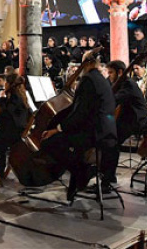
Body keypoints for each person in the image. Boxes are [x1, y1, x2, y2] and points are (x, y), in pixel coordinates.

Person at [40, 52, 117, 201]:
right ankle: (79, 174)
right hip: (107, 132)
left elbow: (80, 114)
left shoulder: (87, 79)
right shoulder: (102, 79)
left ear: (87, 64)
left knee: (49, 143)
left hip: (94, 134)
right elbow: (79, 109)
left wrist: (57, 129)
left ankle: (82, 171)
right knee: (65, 142)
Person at [107, 60, 147, 190]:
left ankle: (109, 178)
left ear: (120, 72)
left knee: (112, 141)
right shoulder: (122, 83)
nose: (109, 76)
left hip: (136, 120)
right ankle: (107, 175)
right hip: (127, 118)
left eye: (111, 72)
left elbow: (114, 100)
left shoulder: (128, 84)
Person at [0, 74, 30, 175]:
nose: (5, 84)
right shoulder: (21, 95)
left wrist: (1, 99)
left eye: (6, 82)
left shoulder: (15, 98)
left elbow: (6, 114)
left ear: (10, 84)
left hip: (13, 135)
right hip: (15, 132)